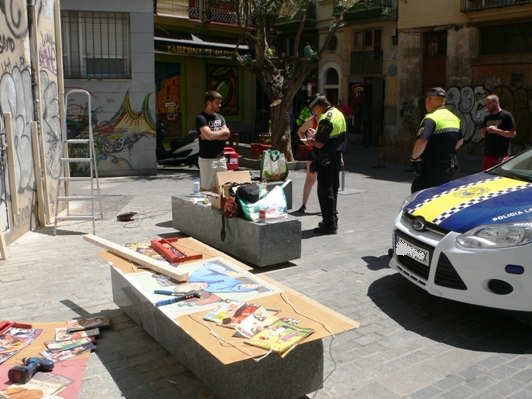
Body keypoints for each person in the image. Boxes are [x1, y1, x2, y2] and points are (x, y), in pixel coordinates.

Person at [306, 94, 347, 235]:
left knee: (325, 191)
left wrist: (310, 140)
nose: (313, 113)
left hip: (326, 159)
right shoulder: (338, 113)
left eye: (313, 110)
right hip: (336, 157)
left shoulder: (326, 118)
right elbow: (336, 137)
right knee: (333, 189)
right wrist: (316, 134)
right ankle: (333, 219)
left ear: (318, 106)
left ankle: (329, 224)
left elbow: (319, 143)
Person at [410, 87, 464, 193]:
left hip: (431, 169)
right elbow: (460, 141)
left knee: (419, 195)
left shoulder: (431, 119)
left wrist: (414, 157)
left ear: (429, 99)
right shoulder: (454, 118)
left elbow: (422, 141)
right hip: (448, 168)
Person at [195, 90, 231, 191]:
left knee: (221, 187)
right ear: (208, 103)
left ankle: (216, 206)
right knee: (206, 188)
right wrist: (220, 133)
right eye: (217, 103)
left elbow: (227, 134)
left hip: (221, 158)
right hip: (207, 159)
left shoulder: (220, 117)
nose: (220, 105)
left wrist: (211, 135)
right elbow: (210, 135)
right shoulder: (201, 118)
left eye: (220, 103)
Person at [479, 94, 516, 170]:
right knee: (486, 177)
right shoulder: (487, 117)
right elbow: (483, 135)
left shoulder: (506, 115)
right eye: (486, 104)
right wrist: (483, 129)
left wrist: (496, 131)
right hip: (488, 154)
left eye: (489, 104)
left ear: (496, 103)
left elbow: (512, 134)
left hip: (502, 155)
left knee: (500, 178)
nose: (487, 106)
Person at [295, 106, 318, 213]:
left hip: (327, 153)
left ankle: (328, 207)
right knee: (310, 179)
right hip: (314, 153)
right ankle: (304, 205)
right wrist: (306, 143)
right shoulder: (312, 120)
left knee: (325, 181)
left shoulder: (328, 120)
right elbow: (300, 131)